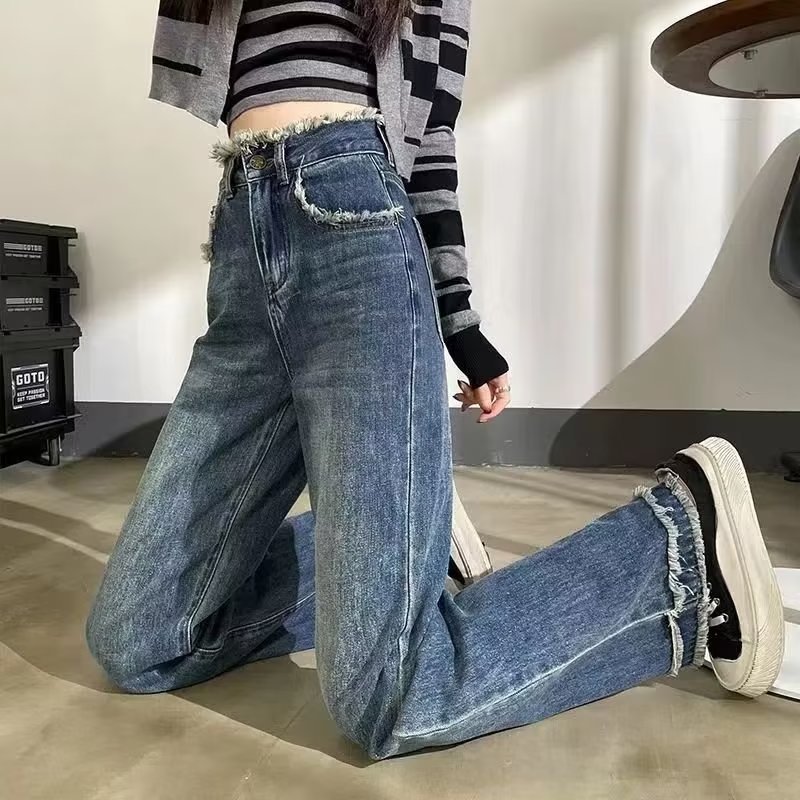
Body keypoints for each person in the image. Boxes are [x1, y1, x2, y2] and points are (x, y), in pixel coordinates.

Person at [86, 0, 785, 760]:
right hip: (241, 238)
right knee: (138, 642)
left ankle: (678, 549)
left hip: (354, 230)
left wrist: (460, 320)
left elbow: (430, 137)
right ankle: (411, 536)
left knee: (389, 699)